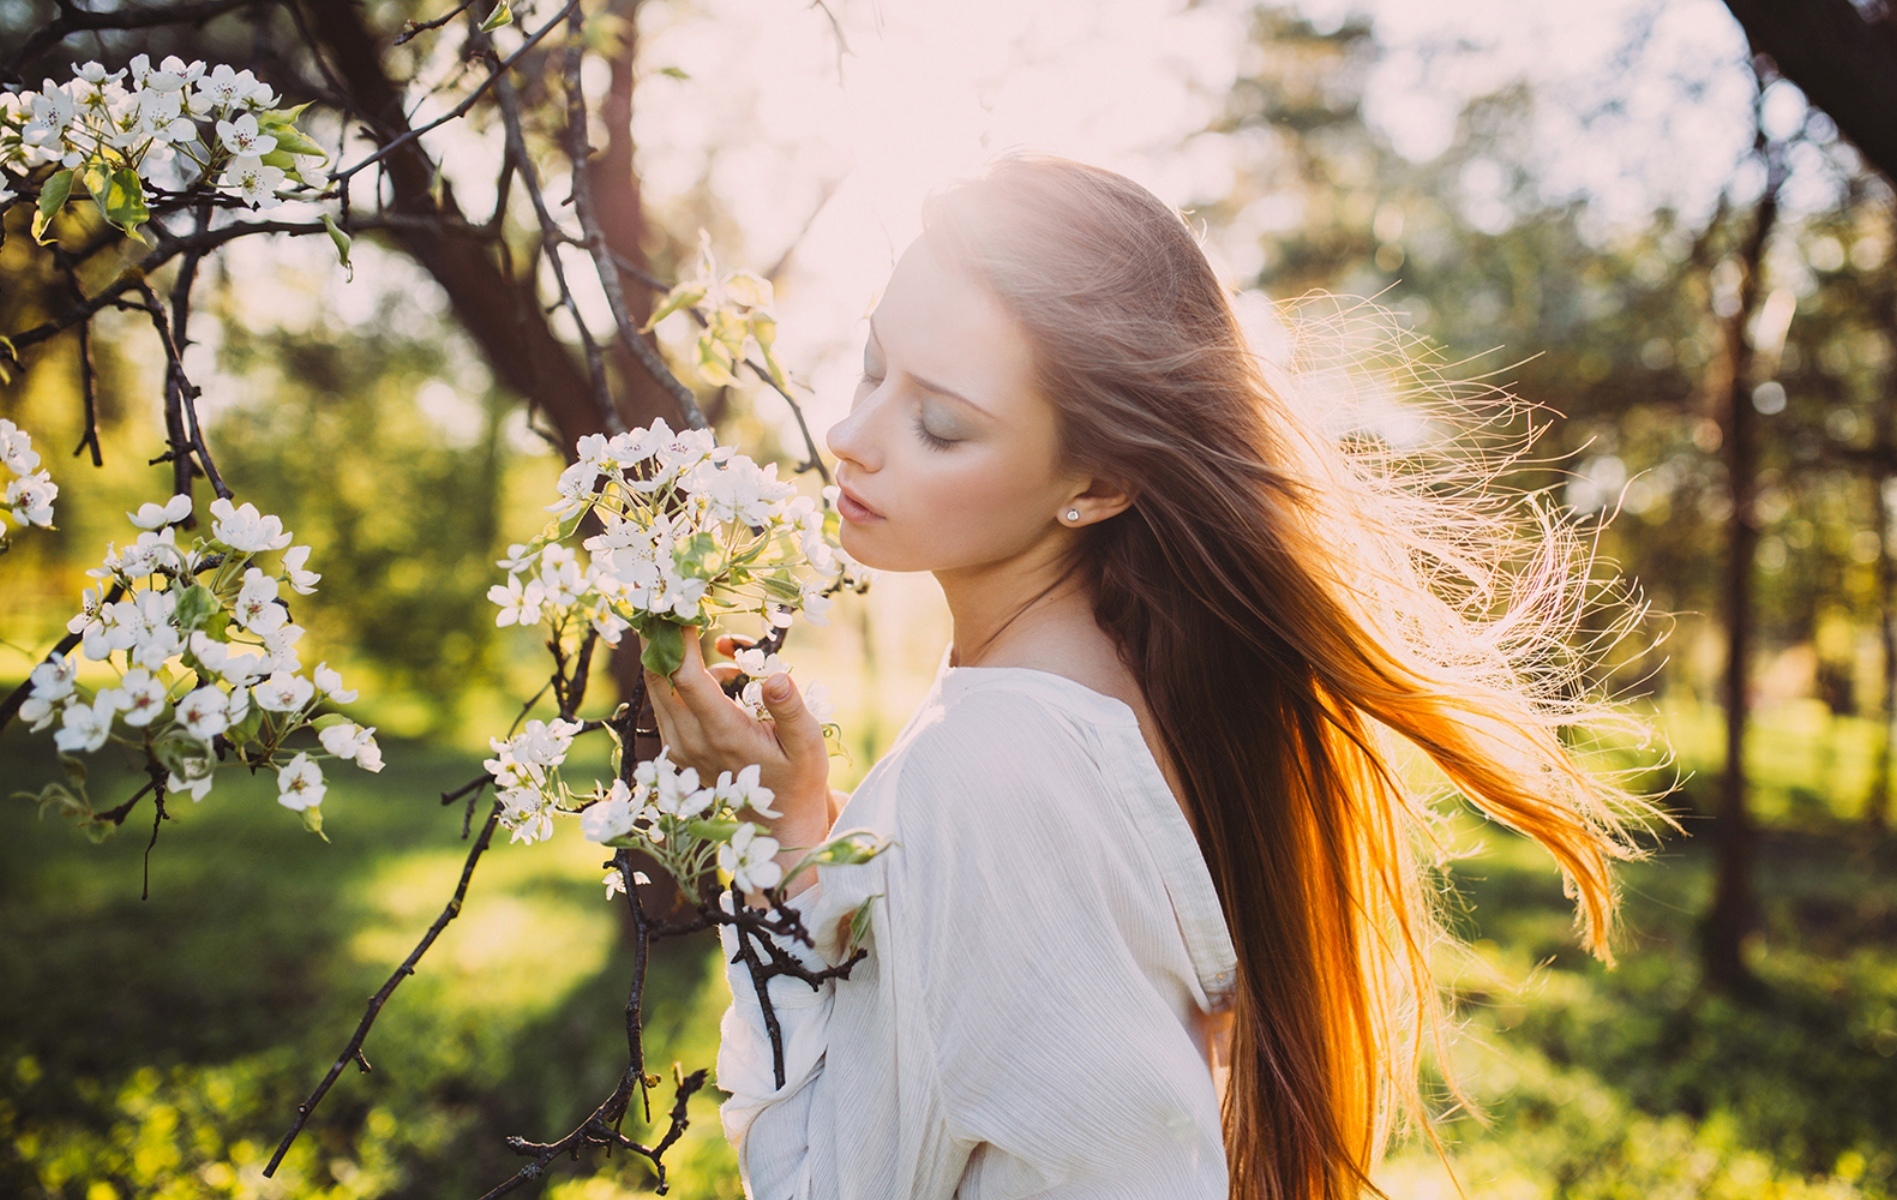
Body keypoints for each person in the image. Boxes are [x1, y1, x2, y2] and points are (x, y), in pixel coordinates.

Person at [641, 153, 1657, 1200]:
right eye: (870, 363)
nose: (850, 438)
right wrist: (812, 835)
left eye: (940, 422)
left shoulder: (992, 766)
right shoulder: (1125, 695)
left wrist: (773, 849)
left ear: (1101, 479)